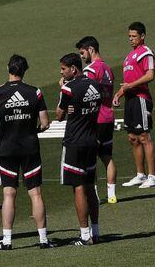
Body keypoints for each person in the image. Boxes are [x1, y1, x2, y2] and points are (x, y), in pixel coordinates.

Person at [0, 54, 55, 250]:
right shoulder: (35, 92)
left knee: (9, 194)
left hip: (7, 148)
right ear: (24, 70)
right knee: (36, 194)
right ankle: (43, 239)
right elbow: (45, 123)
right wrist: (35, 131)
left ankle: (7, 241)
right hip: (30, 147)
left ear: (9, 68)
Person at [56, 53, 102, 245]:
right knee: (91, 186)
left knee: (79, 187)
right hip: (92, 141)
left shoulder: (68, 89)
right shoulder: (95, 86)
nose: (61, 72)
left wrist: (63, 90)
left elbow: (59, 116)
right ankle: (96, 232)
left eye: (63, 69)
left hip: (75, 143)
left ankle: (84, 235)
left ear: (73, 69)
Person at [113, 22, 155, 188]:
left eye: (134, 36)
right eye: (129, 36)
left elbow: (150, 75)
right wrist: (118, 94)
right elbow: (127, 82)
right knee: (132, 137)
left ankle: (152, 177)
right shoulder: (129, 57)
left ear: (142, 36)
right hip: (130, 99)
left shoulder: (146, 53)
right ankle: (140, 174)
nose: (131, 39)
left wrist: (130, 86)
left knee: (144, 137)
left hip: (141, 99)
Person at [76, 36, 118, 204]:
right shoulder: (108, 68)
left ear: (91, 49)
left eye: (82, 52)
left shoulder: (90, 70)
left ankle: (93, 195)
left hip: (95, 119)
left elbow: (86, 93)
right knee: (107, 156)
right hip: (108, 116)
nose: (81, 57)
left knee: (89, 159)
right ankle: (112, 195)